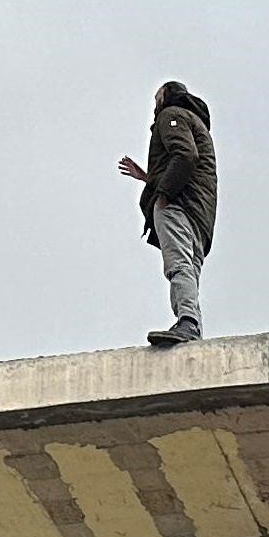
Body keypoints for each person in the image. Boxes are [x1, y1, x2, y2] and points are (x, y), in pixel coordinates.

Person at [117, 82, 217, 347]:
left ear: (167, 96)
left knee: (178, 264)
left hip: (177, 205)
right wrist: (148, 178)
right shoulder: (196, 123)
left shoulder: (171, 114)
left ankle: (188, 323)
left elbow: (185, 156)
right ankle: (191, 325)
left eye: (157, 98)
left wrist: (162, 193)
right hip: (199, 214)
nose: (155, 105)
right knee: (188, 269)